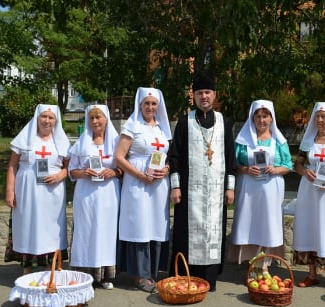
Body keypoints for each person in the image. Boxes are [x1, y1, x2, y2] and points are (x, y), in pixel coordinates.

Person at [168, 71, 235, 292]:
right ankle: (187, 277)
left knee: (213, 231)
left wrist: (230, 188)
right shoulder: (184, 122)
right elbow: (174, 156)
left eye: (207, 92)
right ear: (193, 96)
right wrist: (175, 186)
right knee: (186, 232)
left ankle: (209, 278)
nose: (204, 96)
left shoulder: (224, 122)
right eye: (199, 93)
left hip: (216, 192)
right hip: (189, 191)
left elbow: (230, 158)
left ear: (214, 95)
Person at [115, 87, 171, 293]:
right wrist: (139, 175)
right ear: (140, 104)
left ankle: (153, 273)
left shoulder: (162, 129)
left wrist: (166, 169)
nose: (150, 107)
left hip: (158, 184)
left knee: (155, 225)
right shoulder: (132, 126)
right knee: (139, 226)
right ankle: (140, 274)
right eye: (146, 103)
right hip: (137, 183)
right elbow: (119, 158)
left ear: (158, 106)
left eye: (153, 103)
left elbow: (167, 156)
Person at [5, 104, 70, 275]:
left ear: (56, 121)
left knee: (51, 229)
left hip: (52, 192)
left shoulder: (61, 142)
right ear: (37, 118)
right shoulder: (25, 139)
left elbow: (69, 168)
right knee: (28, 225)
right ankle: (27, 268)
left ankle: (51, 267)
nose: (47, 120)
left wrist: (59, 176)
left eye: (51, 117)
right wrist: (10, 191)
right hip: (27, 190)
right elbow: (12, 165)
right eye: (44, 116)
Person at [229, 100, 292, 271]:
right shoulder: (242, 140)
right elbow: (234, 163)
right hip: (249, 188)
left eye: (265, 116)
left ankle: (265, 264)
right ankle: (251, 263)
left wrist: (276, 169)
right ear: (252, 118)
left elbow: (288, 165)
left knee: (269, 224)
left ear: (271, 119)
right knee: (249, 222)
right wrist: (246, 169)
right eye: (258, 116)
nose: (261, 120)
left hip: (271, 188)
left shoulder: (279, 141)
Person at [68, 104, 122, 290]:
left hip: (108, 195)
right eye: (91, 118)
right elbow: (71, 170)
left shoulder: (117, 142)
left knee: (105, 232)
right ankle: (83, 275)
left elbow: (123, 167)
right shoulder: (81, 143)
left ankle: (104, 275)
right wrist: (84, 173)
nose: (95, 121)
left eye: (98, 117)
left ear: (106, 119)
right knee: (86, 232)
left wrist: (113, 172)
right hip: (86, 194)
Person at [293, 101, 325, 287]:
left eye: (324, 117)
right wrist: (305, 172)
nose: (320, 120)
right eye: (318, 117)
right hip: (309, 190)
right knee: (311, 227)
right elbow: (297, 165)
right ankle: (312, 274)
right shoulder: (308, 142)